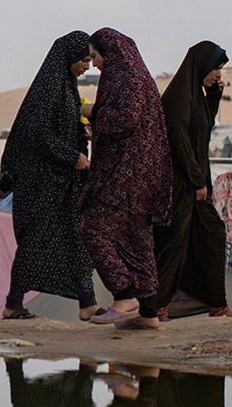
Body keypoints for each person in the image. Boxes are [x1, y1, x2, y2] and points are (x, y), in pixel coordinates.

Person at [0, 32, 104, 321]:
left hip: (63, 182)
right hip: (41, 182)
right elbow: (38, 133)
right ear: (69, 57)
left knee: (76, 238)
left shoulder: (66, 86)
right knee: (35, 242)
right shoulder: (49, 89)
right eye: (83, 60)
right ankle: (13, 303)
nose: (88, 66)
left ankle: (87, 303)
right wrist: (73, 156)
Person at [83, 28, 172, 330]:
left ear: (110, 51)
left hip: (126, 173)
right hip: (142, 174)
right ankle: (148, 312)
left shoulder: (127, 79)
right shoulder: (137, 76)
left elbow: (127, 119)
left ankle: (124, 296)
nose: (94, 64)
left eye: (95, 56)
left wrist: (92, 111)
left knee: (93, 229)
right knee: (137, 241)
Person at [155, 42, 232, 319]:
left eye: (220, 69)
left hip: (196, 184)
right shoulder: (177, 98)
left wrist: (213, 96)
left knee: (212, 236)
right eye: (215, 68)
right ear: (201, 65)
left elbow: (203, 128)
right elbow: (180, 143)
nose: (218, 74)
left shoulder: (195, 97)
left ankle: (217, 305)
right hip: (181, 186)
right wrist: (196, 181)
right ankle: (157, 306)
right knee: (172, 245)